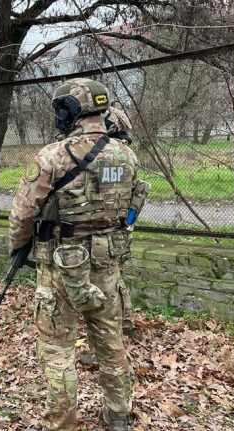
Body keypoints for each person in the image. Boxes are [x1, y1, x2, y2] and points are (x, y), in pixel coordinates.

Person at [8, 78, 141, 431]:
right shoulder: (126, 155)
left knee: (57, 351)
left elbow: (22, 214)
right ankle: (118, 414)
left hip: (60, 265)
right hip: (106, 263)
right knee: (110, 342)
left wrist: (17, 246)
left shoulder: (52, 156)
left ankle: (63, 423)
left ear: (69, 111)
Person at [78, 106, 137, 367]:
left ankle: (106, 347)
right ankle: (126, 324)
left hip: (103, 231)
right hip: (121, 224)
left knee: (105, 289)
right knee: (116, 278)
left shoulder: (103, 152)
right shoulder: (126, 154)